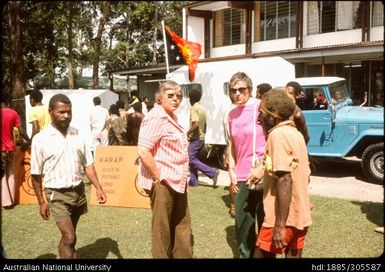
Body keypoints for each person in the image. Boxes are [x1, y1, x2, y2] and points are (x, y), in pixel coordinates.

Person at [30, 94, 107, 259]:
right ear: (51, 111)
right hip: (56, 195)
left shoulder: (78, 134)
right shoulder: (40, 139)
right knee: (70, 237)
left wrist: (98, 188)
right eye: (61, 112)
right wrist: (41, 202)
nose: (66, 115)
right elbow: (35, 174)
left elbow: (88, 165)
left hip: (78, 192)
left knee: (69, 237)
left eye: (69, 111)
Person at [253, 88, 312, 258]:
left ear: (275, 114)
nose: (259, 118)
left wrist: (279, 226)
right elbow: (304, 174)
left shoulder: (277, 135)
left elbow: (285, 179)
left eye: (261, 113)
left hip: (282, 218)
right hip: (300, 213)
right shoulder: (296, 133)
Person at [137, 80, 193, 258]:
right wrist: (158, 177)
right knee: (162, 229)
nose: (175, 99)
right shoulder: (155, 117)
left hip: (178, 179)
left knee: (182, 222)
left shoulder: (172, 117)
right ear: (159, 98)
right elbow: (143, 151)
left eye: (179, 96)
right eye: (171, 96)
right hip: (164, 181)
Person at [227, 72, 266, 258]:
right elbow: (231, 145)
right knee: (242, 223)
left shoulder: (262, 107)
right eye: (233, 90)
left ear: (250, 89)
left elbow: (275, 139)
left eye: (241, 89)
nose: (237, 94)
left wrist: (263, 166)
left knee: (266, 221)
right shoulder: (231, 114)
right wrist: (231, 170)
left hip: (264, 173)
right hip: (241, 175)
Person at [1, 93, 30, 208]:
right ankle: (12, 199)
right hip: (11, 148)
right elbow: (21, 130)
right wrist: (29, 140)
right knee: (11, 174)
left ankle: (5, 201)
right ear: (7, 102)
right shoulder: (13, 113)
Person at [186, 88, 219, 187]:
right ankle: (194, 181)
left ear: (191, 98)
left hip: (195, 138)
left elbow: (195, 124)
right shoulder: (202, 108)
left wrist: (187, 133)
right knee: (194, 159)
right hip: (201, 137)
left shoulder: (194, 108)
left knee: (191, 159)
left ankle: (212, 173)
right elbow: (204, 124)